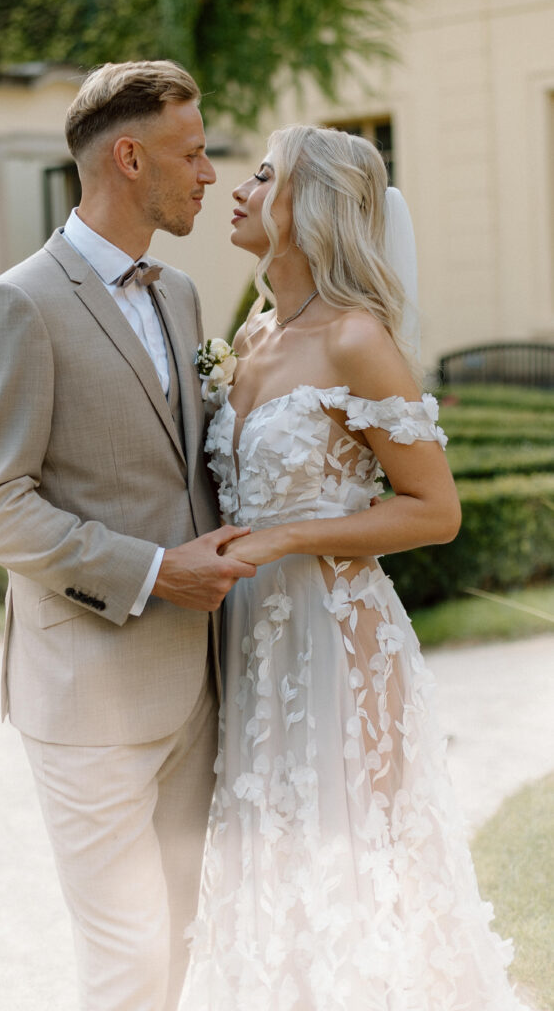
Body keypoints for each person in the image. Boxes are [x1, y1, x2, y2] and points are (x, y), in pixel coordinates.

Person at [179, 126, 531, 1010]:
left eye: (263, 176)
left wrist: (286, 539)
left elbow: (434, 511)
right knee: (271, 861)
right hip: (251, 642)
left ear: (314, 205)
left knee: (354, 866)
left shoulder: (354, 338)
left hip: (337, 644)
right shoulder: (251, 336)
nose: (238, 188)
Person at [0, 60, 257, 1011]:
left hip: (198, 687)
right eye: (192, 152)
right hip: (88, 702)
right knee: (126, 963)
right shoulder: (18, 304)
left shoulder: (181, 297)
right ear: (129, 157)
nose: (209, 174)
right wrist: (154, 571)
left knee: (184, 937)